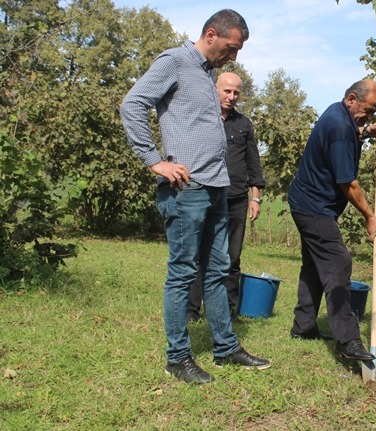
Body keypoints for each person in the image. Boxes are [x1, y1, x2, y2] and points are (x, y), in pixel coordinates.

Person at [120, 9, 270, 385]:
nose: (233, 57)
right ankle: (178, 358)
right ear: (211, 34)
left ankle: (225, 347)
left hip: (216, 187)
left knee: (218, 270)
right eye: (231, 47)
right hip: (186, 189)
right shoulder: (175, 61)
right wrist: (154, 161)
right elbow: (133, 104)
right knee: (183, 273)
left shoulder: (205, 74)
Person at [287, 79, 376, 361]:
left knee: (314, 265)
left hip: (304, 201)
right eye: (368, 111)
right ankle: (348, 340)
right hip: (314, 208)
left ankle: (303, 326)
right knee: (338, 262)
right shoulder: (341, 127)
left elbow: (351, 132)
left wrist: (366, 131)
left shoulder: (337, 113)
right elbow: (349, 184)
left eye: (375, 113)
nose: (370, 116)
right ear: (351, 99)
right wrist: (370, 216)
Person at [187, 72, 265, 322]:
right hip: (204, 194)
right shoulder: (202, 118)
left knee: (232, 257)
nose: (231, 97)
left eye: (236, 93)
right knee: (199, 254)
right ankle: (191, 311)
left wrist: (255, 197)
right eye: (226, 91)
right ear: (215, 89)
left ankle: (228, 310)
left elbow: (253, 163)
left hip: (236, 200)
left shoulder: (243, 124)